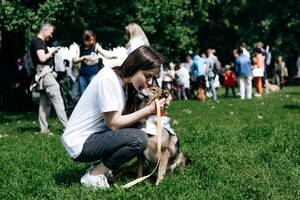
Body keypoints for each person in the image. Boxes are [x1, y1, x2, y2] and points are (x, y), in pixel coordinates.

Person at [61, 46, 168, 189]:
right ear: (134, 66)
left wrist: (159, 103)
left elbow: (129, 119)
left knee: (137, 131)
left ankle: (103, 169)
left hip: (95, 136)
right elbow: (114, 124)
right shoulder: (108, 79)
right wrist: (148, 110)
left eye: (152, 77)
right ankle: (94, 175)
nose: (150, 81)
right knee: (138, 139)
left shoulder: (125, 83)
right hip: (81, 142)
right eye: (147, 76)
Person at [30, 22, 68, 134]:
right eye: (50, 33)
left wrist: (52, 51)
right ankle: (67, 127)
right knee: (57, 97)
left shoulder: (38, 42)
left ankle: (44, 130)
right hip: (45, 73)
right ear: (45, 30)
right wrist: (52, 51)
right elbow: (42, 58)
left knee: (44, 102)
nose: (51, 36)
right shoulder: (38, 42)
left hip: (42, 73)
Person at [73, 30, 115, 96]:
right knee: (83, 95)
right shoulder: (80, 47)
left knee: (94, 94)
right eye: (89, 40)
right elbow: (75, 60)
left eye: (92, 40)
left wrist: (114, 56)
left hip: (93, 74)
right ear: (85, 40)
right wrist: (84, 57)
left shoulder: (96, 47)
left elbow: (106, 55)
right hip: (82, 75)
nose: (91, 42)